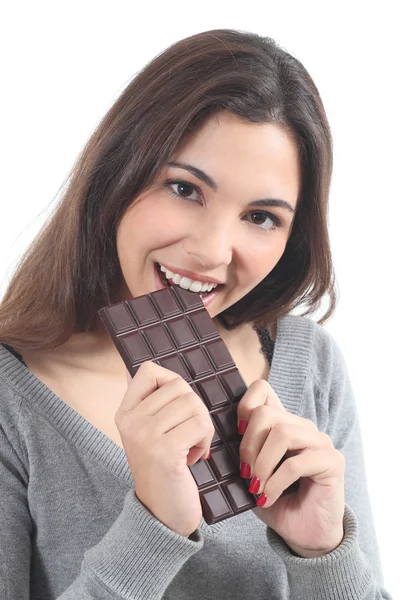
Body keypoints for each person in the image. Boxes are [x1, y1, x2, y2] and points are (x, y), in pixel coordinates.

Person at [0, 28, 392, 600]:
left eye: (261, 217)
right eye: (185, 189)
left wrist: (324, 553)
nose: (212, 251)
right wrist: (153, 525)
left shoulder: (308, 365)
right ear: (117, 173)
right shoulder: (12, 398)